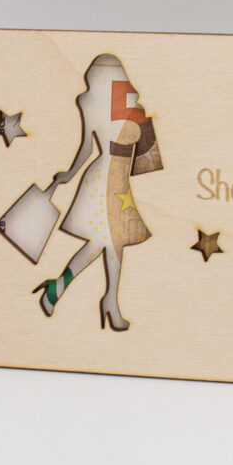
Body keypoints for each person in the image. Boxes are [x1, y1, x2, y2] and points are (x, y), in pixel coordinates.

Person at [33, 54, 160, 330]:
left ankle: (61, 287)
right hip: (103, 180)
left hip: (120, 182)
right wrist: (68, 175)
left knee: (104, 242)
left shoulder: (134, 109)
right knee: (113, 241)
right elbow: (87, 148)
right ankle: (109, 301)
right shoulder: (91, 104)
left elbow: (144, 157)